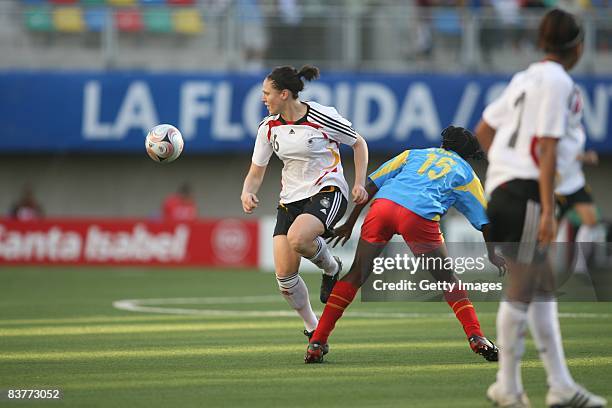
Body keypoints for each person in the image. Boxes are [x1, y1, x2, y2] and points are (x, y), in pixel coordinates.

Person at [475, 9, 607, 408]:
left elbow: (483, 131)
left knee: (543, 285)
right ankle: (508, 388)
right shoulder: (558, 81)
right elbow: (546, 146)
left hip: (506, 189)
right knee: (522, 288)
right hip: (528, 194)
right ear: (578, 46)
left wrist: (502, 170)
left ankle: (560, 385)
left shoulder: (524, 78)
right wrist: (548, 207)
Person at [305, 126, 505, 364]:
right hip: (418, 216)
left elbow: (370, 185)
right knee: (448, 281)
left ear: (444, 144)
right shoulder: (466, 172)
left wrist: (350, 222)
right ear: (467, 154)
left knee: (356, 274)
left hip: (382, 207)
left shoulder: (414, 154)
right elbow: (485, 221)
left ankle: (317, 341)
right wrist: (492, 253)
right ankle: (477, 337)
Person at [240, 65, 369, 342]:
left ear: (284, 94)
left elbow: (359, 143)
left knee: (298, 239)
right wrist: (247, 192)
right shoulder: (268, 128)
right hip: (290, 200)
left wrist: (359, 183)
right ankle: (313, 328)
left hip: (328, 190)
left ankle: (331, 268)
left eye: (267, 93)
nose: (263, 98)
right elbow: (256, 171)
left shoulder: (323, 116)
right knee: (284, 279)